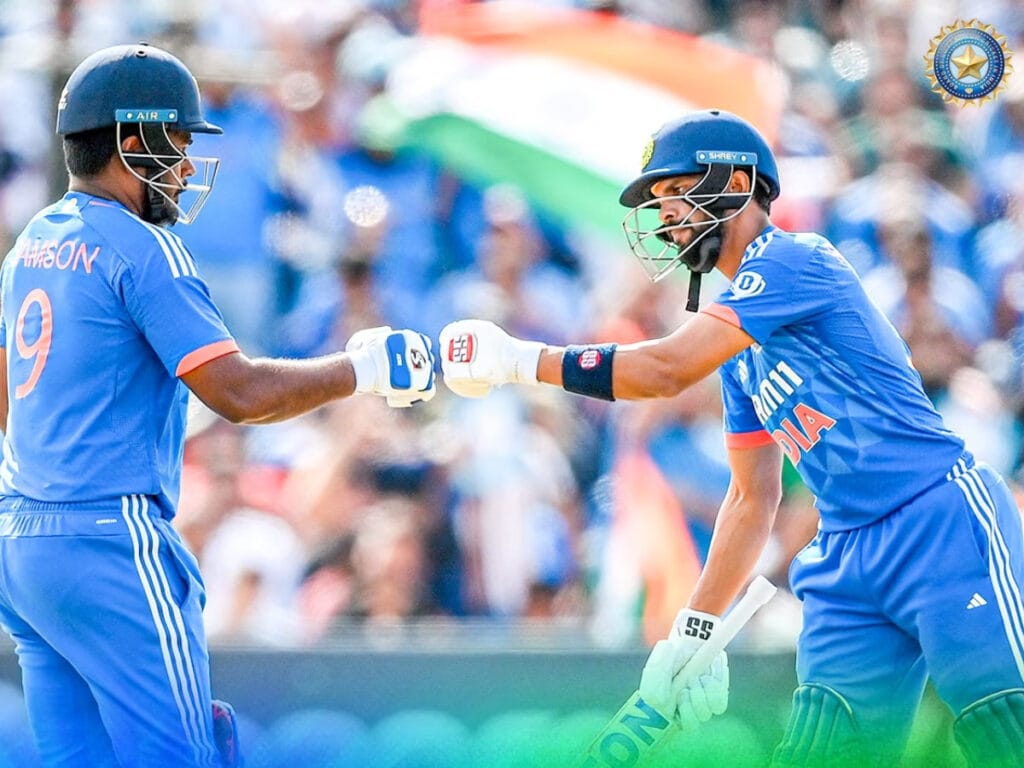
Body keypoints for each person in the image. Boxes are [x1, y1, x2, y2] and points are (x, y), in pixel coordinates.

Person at [439, 109, 1024, 767]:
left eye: (677, 190)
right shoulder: (740, 355)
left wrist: (522, 360)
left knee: (1002, 730)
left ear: (738, 183)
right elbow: (750, 499)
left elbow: (663, 371)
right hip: (846, 554)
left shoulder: (795, 259)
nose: (666, 215)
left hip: (938, 520)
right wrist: (694, 631)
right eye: (659, 201)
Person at [0, 43, 434, 768]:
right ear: (132, 142)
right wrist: (362, 367)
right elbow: (240, 393)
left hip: (22, 542)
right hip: (109, 539)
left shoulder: (31, 244)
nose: (184, 165)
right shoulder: (145, 248)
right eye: (175, 142)